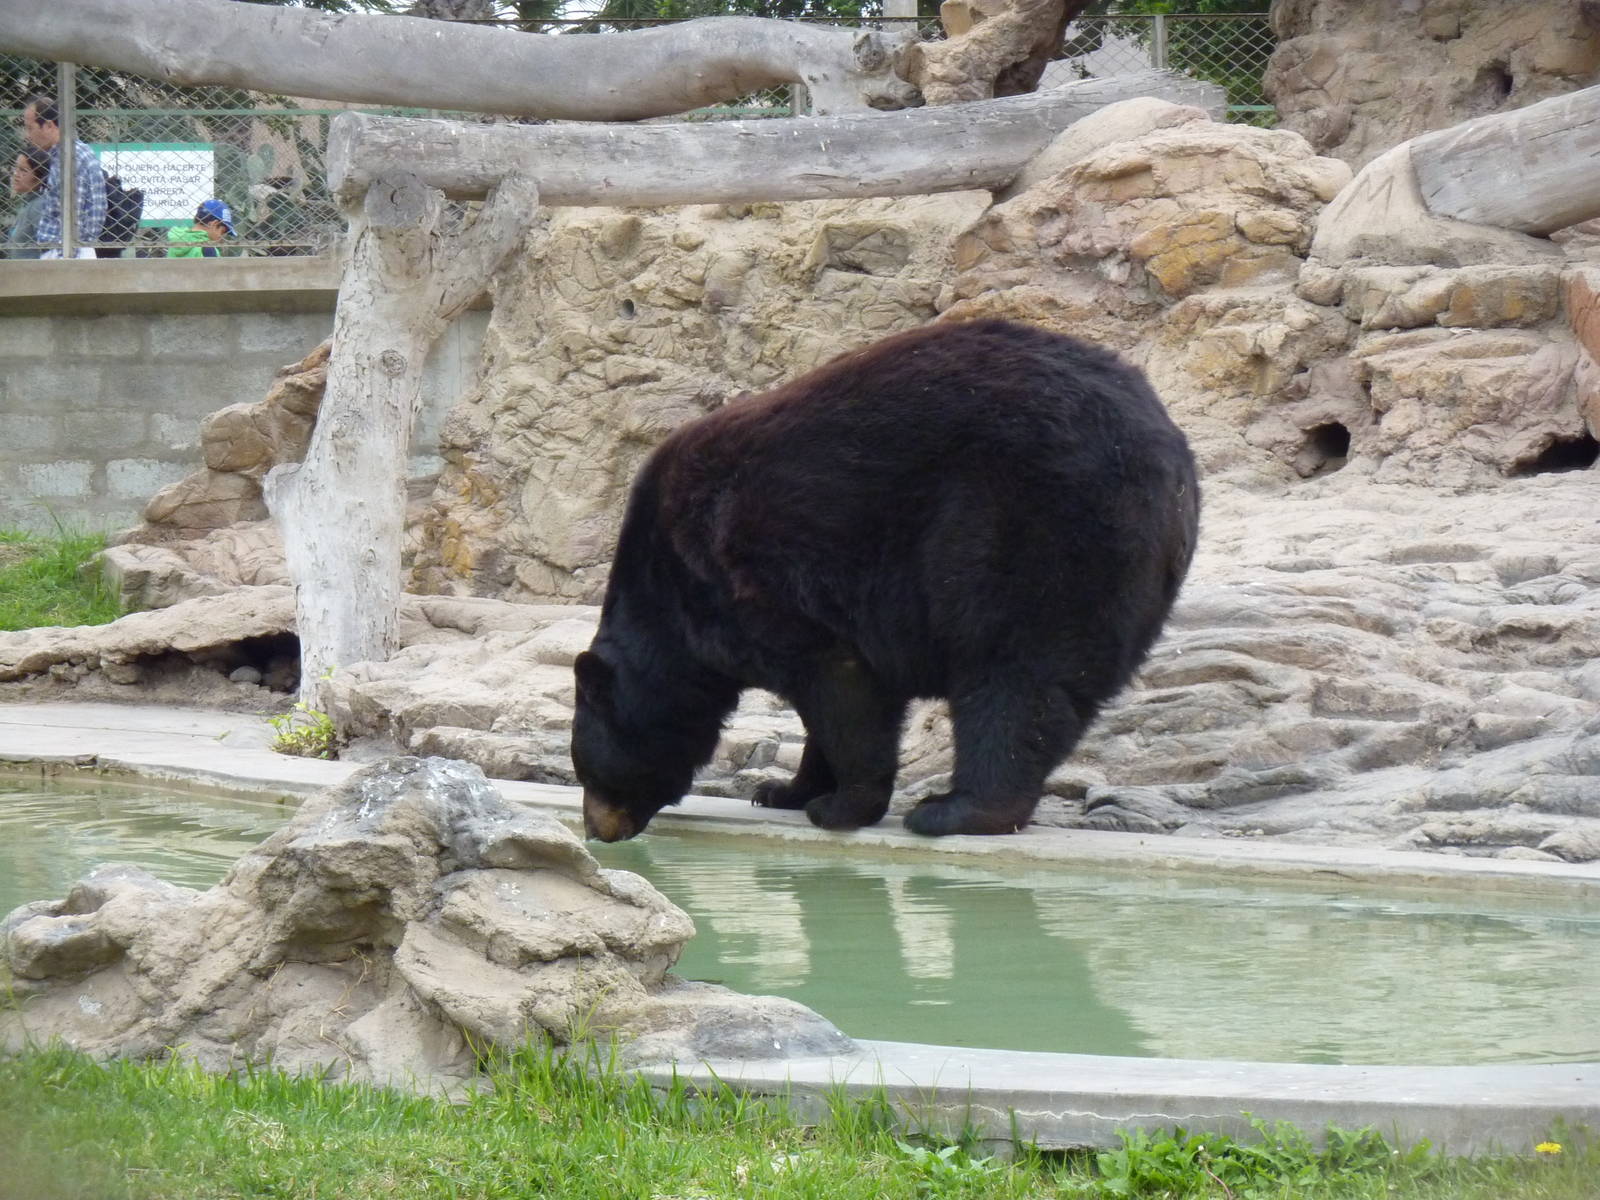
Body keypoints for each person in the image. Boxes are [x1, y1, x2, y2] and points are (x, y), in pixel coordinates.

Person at [21, 93, 106, 259]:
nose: (28, 136)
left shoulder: (67, 159)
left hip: (65, 253)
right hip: (73, 250)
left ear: (49, 126)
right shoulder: (77, 151)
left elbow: (73, 217)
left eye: (30, 128)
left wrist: (63, 256)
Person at [4, 145, 49, 258]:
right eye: (16, 168)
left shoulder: (39, 205)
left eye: (23, 170)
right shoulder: (29, 203)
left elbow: (50, 248)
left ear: (39, 177)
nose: (15, 174)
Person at [166, 199, 235, 257]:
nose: (222, 237)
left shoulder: (176, 242)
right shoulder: (208, 250)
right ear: (214, 224)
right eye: (222, 231)